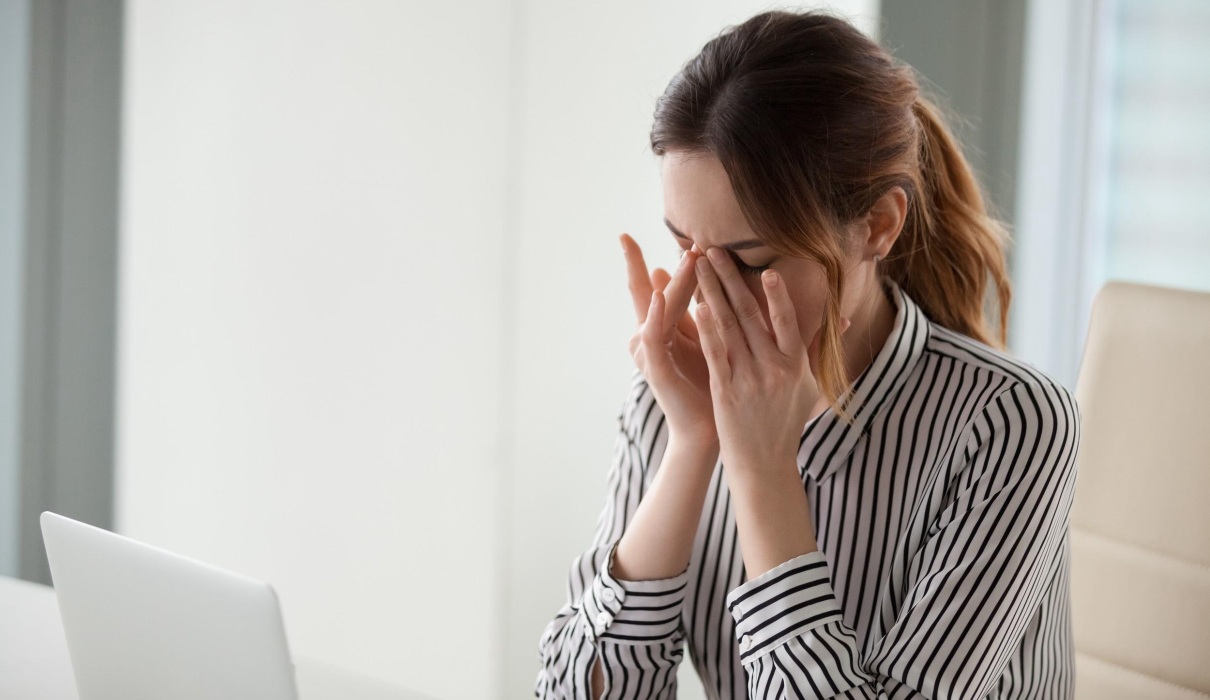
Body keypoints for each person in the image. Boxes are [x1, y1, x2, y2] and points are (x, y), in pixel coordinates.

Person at [534, 8, 1080, 700]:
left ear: (877, 225)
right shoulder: (672, 397)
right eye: (684, 246)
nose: (704, 292)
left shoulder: (1007, 424)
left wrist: (762, 475)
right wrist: (694, 442)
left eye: (747, 258)